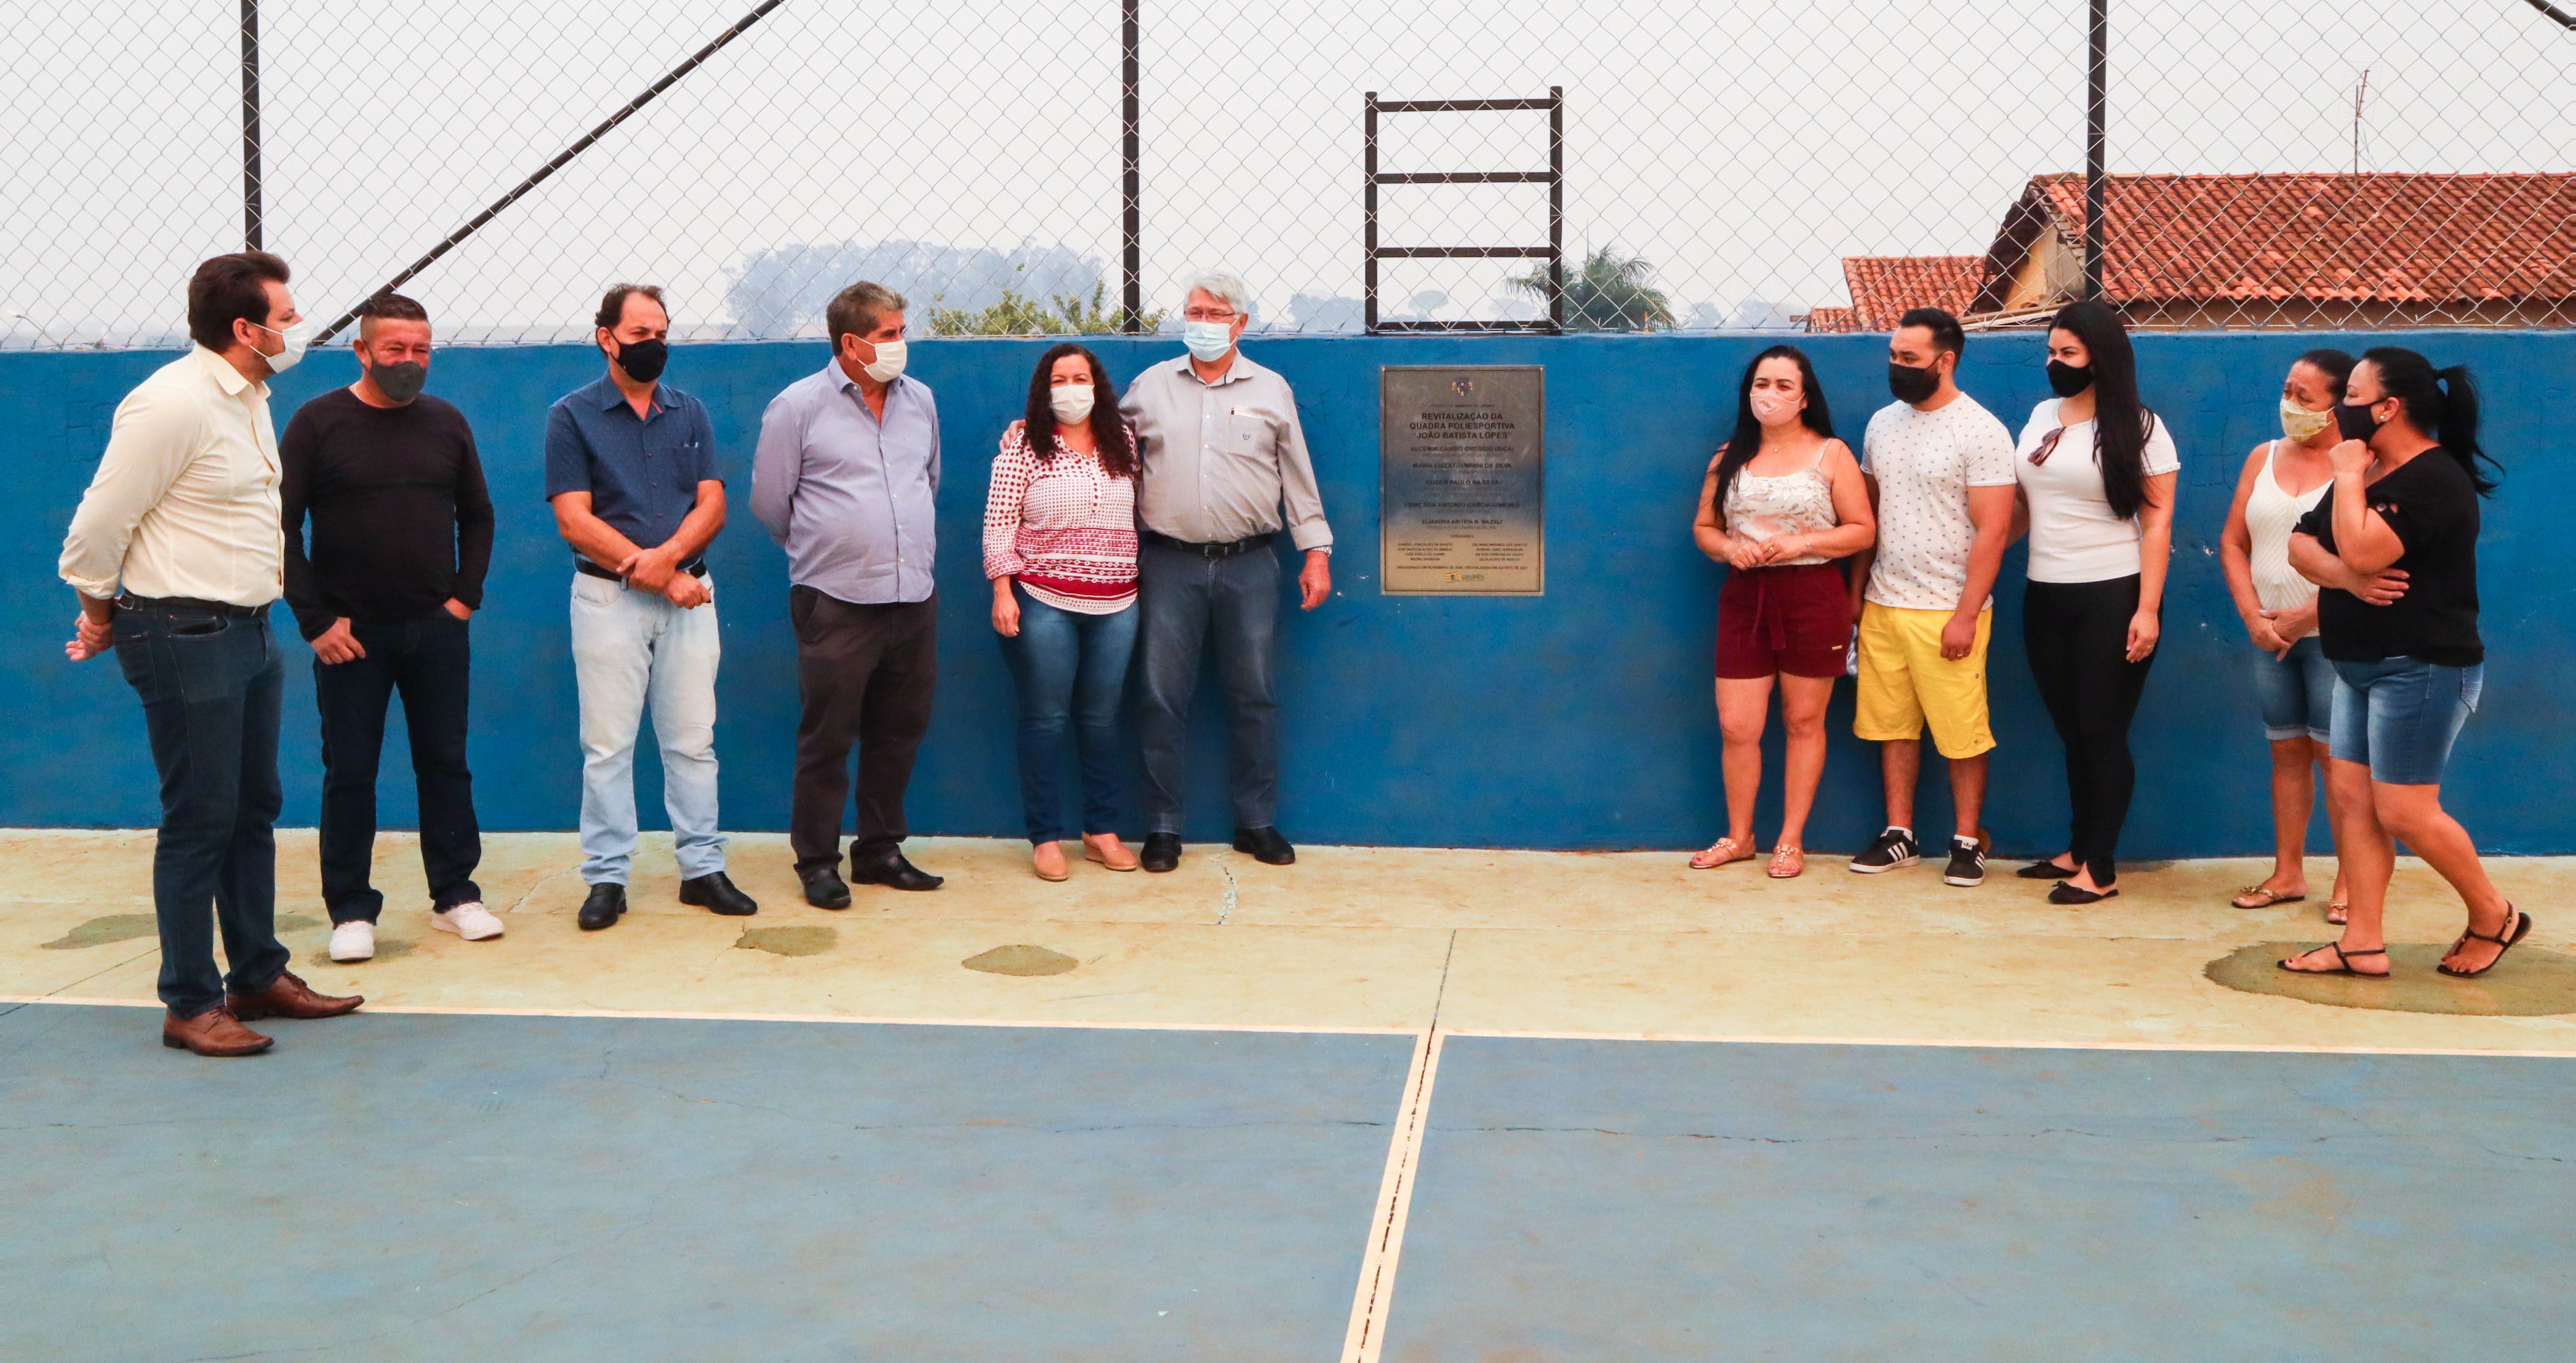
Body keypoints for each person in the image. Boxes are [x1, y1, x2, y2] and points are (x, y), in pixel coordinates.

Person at [58, 251, 362, 1056]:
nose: (298, 328)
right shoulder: (171, 405)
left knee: (252, 809)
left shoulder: (251, 397)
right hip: (182, 633)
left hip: (249, 633)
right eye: (288, 318)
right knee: (199, 819)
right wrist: (98, 616)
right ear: (245, 328)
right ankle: (190, 1003)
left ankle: (256, 975)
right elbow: (96, 532)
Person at [2281, 349, 2524, 980]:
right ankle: (2361, 944)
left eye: (2354, 395)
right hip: (2357, 663)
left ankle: (2493, 915)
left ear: (2387, 408)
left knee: (2404, 810)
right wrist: (2346, 580)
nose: (2342, 409)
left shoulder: (2429, 480)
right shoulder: (2369, 471)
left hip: (2420, 668)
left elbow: (2363, 546)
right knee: (2355, 802)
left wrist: (2346, 480)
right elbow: (2301, 544)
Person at [281, 292, 502, 963]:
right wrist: (316, 621)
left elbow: (479, 516)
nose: (409, 361)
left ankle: (456, 895)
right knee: (350, 771)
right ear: (363, 351)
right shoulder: (317, 424)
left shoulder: (447, 423)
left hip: (437, 630)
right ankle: (350, 910)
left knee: (445, 764)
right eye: (395, 350)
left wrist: (463, 601)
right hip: (350, 639)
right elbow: (280, 528)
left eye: (421, 350)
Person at [545, 283, 757, 929]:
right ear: (606, 338)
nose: (654, 346)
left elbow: (712, 503)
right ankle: (607, 879)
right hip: (609, 600)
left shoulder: (689, 412)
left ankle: (702, 869)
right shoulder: (571, 416)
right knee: (607, 747)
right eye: (640, 335)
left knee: (693, 742)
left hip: (691, 598)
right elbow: (574, 522)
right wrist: (663, 575)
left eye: (661, 333)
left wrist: (667, 567)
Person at [1119, 269, 1332, 874]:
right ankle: (1162, 829)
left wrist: (1315, 552)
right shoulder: (1150, 386)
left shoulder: (1270, 389)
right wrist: (1031, 434)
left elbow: (1297, 475)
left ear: (1240, 324)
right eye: (1195, 312)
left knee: (1254, 696)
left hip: (1250, 565)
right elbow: (1101, 446)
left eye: (1216, 314)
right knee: (1160, 698)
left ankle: (1255, 822)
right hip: (1167, 564)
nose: (1203, 324)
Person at [750, 281, 945, 904]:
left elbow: (927, 483)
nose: (900, 344)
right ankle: (817, 861)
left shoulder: (922, 403)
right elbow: (770, 504)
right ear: (850, 343)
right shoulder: (797, 407)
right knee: (828, 736)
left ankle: (880, 850)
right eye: (888, 335)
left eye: (900, 331)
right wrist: (831, 551)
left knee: (899, 731)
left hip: (912, 596)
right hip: (834, 600)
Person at [2006, 300, 2180, 905]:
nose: (2054, 363)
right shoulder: (2038, 417)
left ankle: (2100, 870)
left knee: (2102, 732)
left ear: (2099, 359)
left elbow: (2156, 526)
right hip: (2043, 595)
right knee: (2071, 732)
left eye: (2068, 354)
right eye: (2051, 352)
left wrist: (2147, 608)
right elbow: (2026, 509)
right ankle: (2077, 848)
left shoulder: (2140, 427)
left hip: (2112, 595)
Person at [1688, 345, 1875, 878]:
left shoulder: (1831, 454)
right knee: (1737, 725)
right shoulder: (1727, 457)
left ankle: (1790, 841)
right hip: (1745, 597)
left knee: (1802, 720)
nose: (1768, 395)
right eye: (1760, 384)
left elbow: (1862, 529)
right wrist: (1729, 549)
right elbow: (1704, 528)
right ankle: (1739, 835)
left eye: (1782, 386)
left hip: (1813, 594)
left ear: (1804, 398)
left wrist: (1803, 544)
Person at [1845, 307, 2015, 887]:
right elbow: (1869, 515)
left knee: (1961, 730)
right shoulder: (1879, 424)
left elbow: (1995, 530)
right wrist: (1856, 594)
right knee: (1892, 726)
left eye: (1909, 359)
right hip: (1884, 603)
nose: (1897, 367)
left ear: (1945, 361)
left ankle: (1967, 840)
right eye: (1893, 356)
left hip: (1949, 608)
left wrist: (1967, 614)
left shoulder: (1982, 431)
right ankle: (1901, 835)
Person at [985, 344, 1145, 880]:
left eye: (1081, 377)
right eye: (1060, 379)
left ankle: (1100, 830)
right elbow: (999, 523)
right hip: (1043, 603)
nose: (1071, 388)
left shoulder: (1123, 442)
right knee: (1046, 720)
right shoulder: (1023, 447)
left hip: (1118, 604)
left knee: (1102, 721)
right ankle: (1045, 837)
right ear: (1043, 389)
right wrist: (1003, 592)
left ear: (1097, 385)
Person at [2218, 349, 2355, 922]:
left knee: (2338, 761)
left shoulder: (2357, 469)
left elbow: (2368, 560)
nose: (2290, 404)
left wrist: (2308, 617)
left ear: (2338, 406)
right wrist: (2254, 616)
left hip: (2335, 638)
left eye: (2305, 396)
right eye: (2287, 391)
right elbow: (2232, 542)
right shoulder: (2262, 457)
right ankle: (2288, 872)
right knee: (2287, 754)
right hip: (2269, 637)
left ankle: (2352, 881)